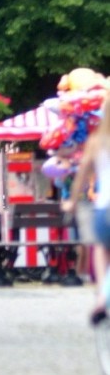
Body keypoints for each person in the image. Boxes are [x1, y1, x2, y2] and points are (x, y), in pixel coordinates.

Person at [63, 91, 110, 323]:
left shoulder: (96, 142)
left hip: (105, 208)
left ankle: (102, 297)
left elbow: (82, 176)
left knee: (101, 248)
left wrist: (72, 201)